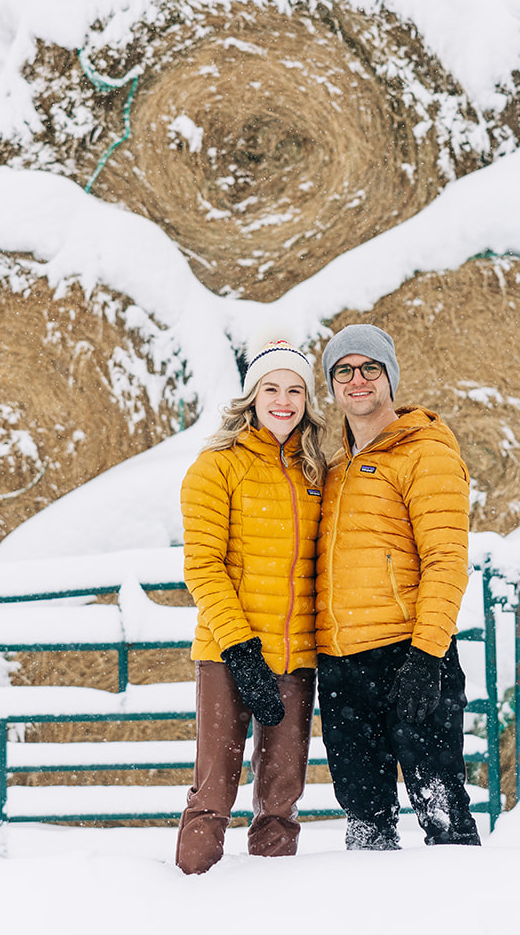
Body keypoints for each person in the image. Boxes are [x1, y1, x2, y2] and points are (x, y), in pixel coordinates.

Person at [315, 323, 481, 850]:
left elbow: (446, 560)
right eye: (344, 370)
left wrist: (427, 657)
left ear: (390, 376)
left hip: (409, 656)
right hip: (342, 665)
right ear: (332, 384)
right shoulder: (335, 467)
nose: (356, 379)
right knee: (366, 823)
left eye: (369, 368)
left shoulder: (424, 452)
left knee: (442, 811)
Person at [175, 339, 329, 874]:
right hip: (228, 652)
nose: (282, 400)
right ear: (252, 396)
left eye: (295, 389)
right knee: (215, 789)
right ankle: (190, 896)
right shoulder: (217, 467)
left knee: (282, 798)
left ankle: (271, 907)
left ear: (308, 401)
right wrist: (240, 648)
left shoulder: (317, 474)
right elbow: (202, 566)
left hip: (297, 657)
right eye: (271, 388)